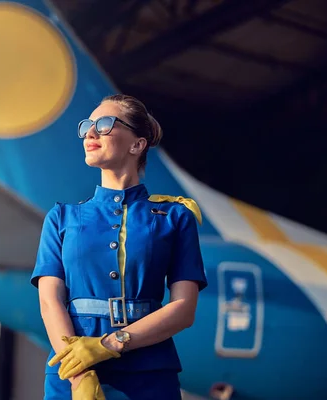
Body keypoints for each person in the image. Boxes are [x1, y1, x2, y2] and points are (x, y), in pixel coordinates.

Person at [30, 94, 207, 400]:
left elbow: (184, 309)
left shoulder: (176, 218)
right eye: (87, 125)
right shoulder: (60, 218)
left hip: (149, 375)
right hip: (71, 374)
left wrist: (109, 344)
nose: (90, 132)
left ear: (137, 145)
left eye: (104, 124)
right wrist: (80, 376)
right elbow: (50, 303)